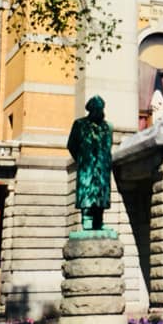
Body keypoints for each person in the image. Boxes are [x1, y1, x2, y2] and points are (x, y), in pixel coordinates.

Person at [66, 95, 113, 231]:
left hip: (102, 167)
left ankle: (99, 221)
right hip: (87, 167)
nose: (99, 112)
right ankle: (86, 219)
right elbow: (71, 145)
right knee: (87, 194)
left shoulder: (107, 127)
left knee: (101, 195)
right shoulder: (80, 124)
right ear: (91, 110)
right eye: (96, 109)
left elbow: (108, 146)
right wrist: (81, 159)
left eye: (101, 109)